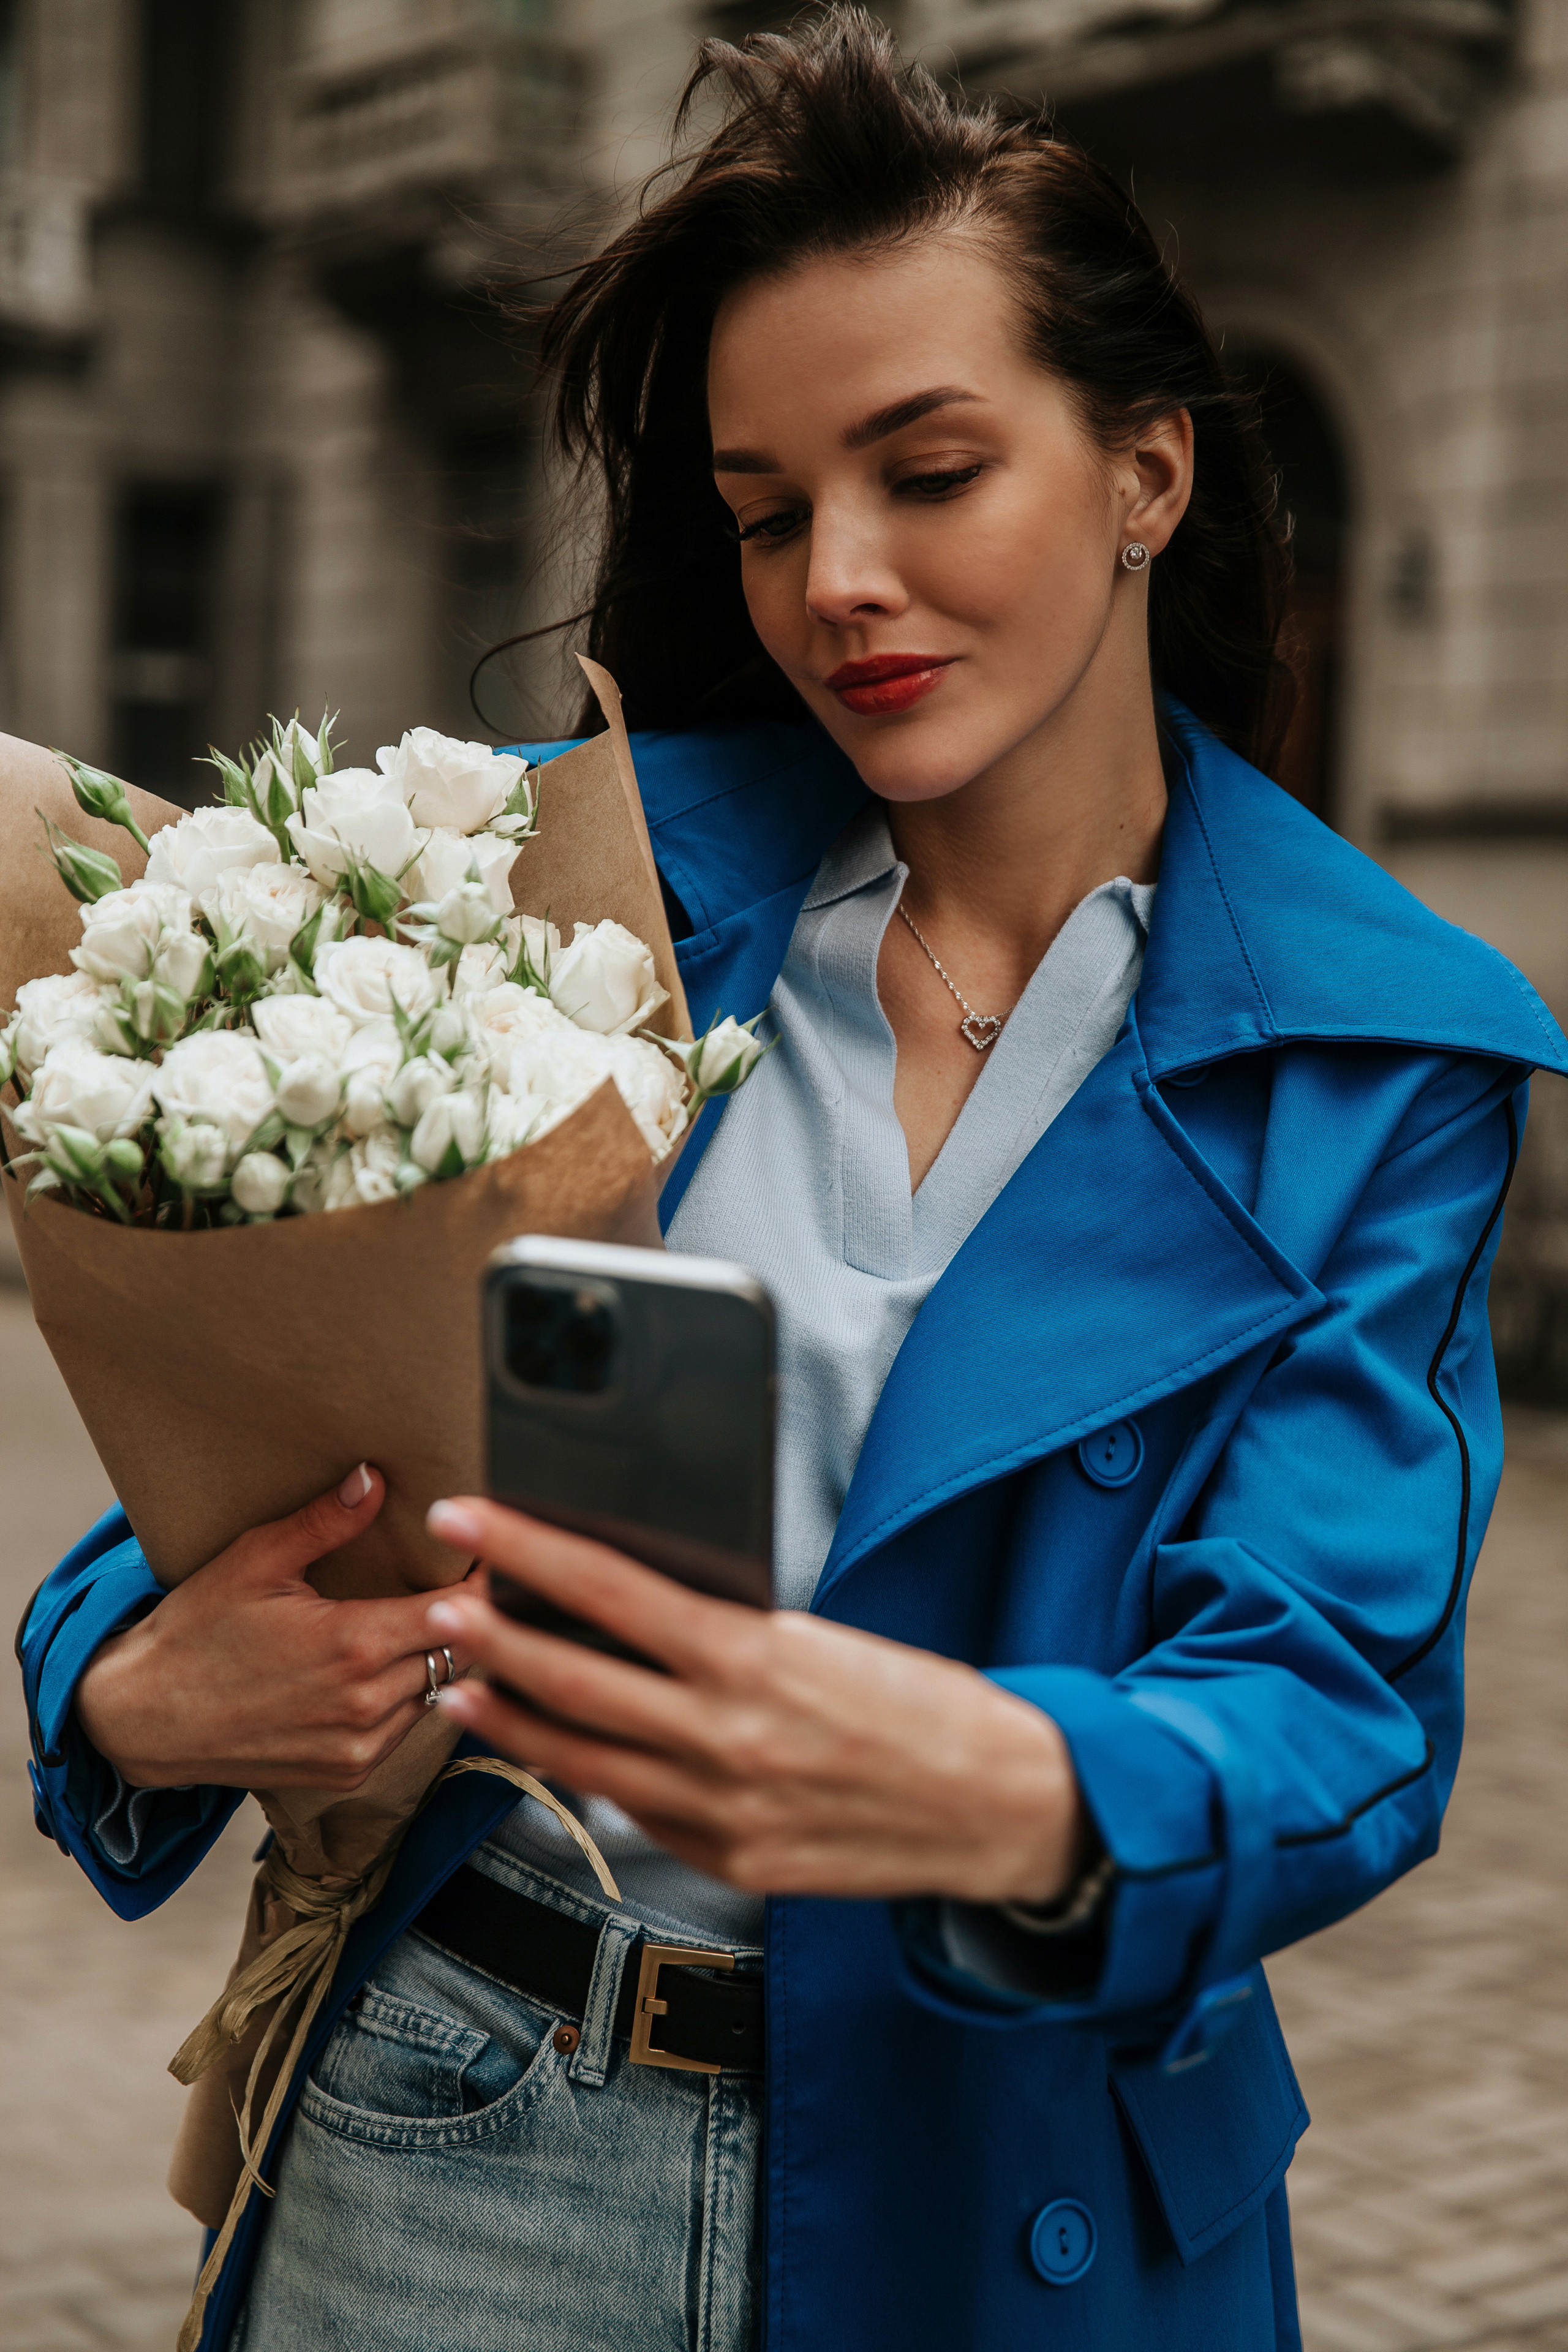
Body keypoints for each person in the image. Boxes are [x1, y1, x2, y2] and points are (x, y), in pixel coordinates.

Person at [19, 13, 1567, 2349]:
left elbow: (1335, 1699)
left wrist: (1005, 1781)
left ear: (1145, 473)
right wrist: (136, 1689)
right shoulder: (571, 885)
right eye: (765, 514)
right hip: (459, 2124)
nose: (837, 577)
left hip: (1007, 2180)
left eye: (929, 472)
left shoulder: (1382, 1050)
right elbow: (248, 1445)